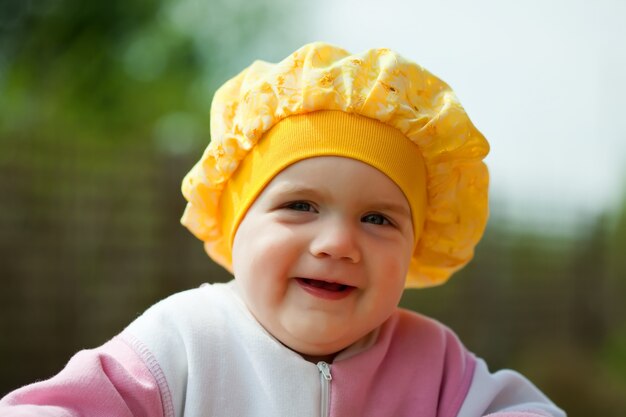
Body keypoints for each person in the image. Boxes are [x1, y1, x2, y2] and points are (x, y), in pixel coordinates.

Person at [0, 42, 566, 417]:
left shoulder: (436, 363)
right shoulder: (185, 341)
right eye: (300, 206)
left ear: (416, 244)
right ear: (235, 219)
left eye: (377, 219)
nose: (338, 243)